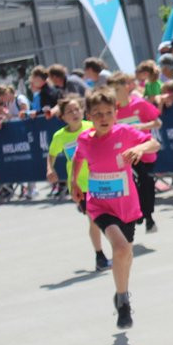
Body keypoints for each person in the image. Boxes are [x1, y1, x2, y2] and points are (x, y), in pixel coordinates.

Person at [71, 88, 161, 329]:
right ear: (89, 115)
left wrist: (140, 149)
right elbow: (78, 157)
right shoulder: (84, 139)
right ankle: (123, 303)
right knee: (120, 248)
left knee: (126, 254)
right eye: (98, 113)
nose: (103, 118)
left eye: (108, 113)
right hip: (99, 204)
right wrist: (73, 182)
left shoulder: (125, 132)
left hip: (126, 205)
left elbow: (154, 143)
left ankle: (122, 293)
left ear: (116, 114)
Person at [47, 95, 110, 272]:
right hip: (79, 185)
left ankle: (117, 248)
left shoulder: (91, 127)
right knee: (94, 220)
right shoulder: (60, 136)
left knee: (109, 216)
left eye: (77, 109)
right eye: (69, 111)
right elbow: (51, 154)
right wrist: (50, 169)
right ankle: (100, 256)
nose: (74, 113)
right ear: (63, 117)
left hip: (101, 178)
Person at [110, 72, 162, 233]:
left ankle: (148, 217)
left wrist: (141, 127)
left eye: (117, 89)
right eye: (112, 90)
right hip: (127, 155)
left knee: (147, 182)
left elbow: (158, 123)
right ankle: (138, 213)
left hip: (146, 151)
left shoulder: (139, 105)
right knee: (132, 182)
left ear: (126, 88)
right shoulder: (113, 111)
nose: (114, 94)